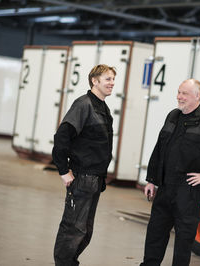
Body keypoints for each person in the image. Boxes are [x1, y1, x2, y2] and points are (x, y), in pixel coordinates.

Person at [140, 79, 200, 266]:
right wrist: (151, 180)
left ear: (197, 96)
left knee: (184, 239)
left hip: (188, 192)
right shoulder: (173, 116)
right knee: (155, 233)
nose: (179, 97)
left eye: (184, 93)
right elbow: (159, 149)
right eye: (179, 92)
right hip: (165, 187)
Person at [52, 64, 116, 266]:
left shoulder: (102, 107)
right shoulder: (83, 105)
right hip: (82, 177)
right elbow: (62, 137)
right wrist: (63, 171)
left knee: (85, 231)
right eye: (107, 79)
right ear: (94, 81)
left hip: (95, 179)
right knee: (73, 229)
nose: (112, 83)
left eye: (113, 78)